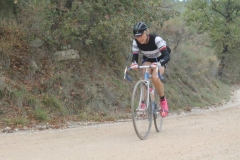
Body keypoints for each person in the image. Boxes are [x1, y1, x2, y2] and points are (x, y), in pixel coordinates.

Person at [130, 22, 170, 118]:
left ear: (146, 32)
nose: (139, 38)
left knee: (155, 78)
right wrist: (134, 63)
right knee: (144, 77)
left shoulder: (156, 39)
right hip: (148, 59)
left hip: (161, 58)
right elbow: (134, 56)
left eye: (141, 35)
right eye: (137, 37)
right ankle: (143, 103)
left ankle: (163, 100)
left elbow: (167, 56)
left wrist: (159, 63)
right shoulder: (136, 42)